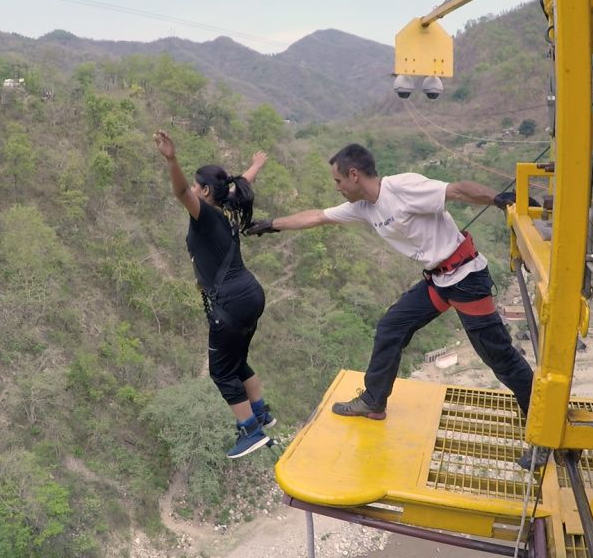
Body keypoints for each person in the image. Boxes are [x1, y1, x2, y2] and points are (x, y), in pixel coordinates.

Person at [246, 143, 544, 469]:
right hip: (438, 281)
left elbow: (456, 190)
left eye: (338, 181)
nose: (337, 188)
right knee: (392, 327)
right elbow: (317, 217)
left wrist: (500, 198)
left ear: (354, 175)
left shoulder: (401, 187)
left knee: (498, 357)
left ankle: (544, 432)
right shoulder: (363, 206)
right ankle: (374, 402)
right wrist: (271, 224)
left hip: (466, 279)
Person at [153, 130, 275, 459]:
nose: (192, 190)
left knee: (221, 372)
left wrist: (171, 159)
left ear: (205, 192)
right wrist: (255, 166)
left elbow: (179, 191)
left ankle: (250, 429)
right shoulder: (228, 208)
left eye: (197, 186)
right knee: (236, 362)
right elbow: (239, 184)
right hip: (251, 294)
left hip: (231, 303)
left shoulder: (205, 216)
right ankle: (261, 411)